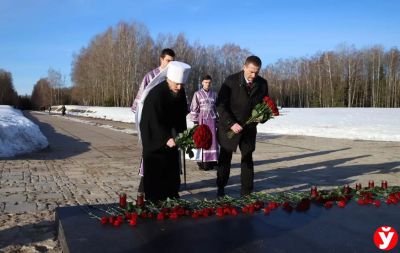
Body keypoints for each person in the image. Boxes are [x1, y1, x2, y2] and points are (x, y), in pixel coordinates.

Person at [216, 55, 268, 197]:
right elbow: (220, 105)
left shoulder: (262, 84)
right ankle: (221, 187)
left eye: (257, 72)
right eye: (251, 71)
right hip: (229, 127)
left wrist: (262, 118)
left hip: (249, 128)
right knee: (225, 157)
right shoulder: (231, 81)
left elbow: (265, 105)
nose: (253, 75)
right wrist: (231, 123)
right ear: (244, 67)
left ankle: (247, 192)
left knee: (247, 157)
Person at [139, 61, 191, 202]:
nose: (179, 87)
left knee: (172, 170)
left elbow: (181, 115)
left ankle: (172, 197)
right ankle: (155, 202)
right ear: (169, 79)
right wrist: (165, 138)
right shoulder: (156, 94)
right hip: (155, 140)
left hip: (172, 140)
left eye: (182, 84)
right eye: (177, 84)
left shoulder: (179, 92)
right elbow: (152, 121)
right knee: (156, 172)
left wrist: (183, 135)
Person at [131, 48, 175, 198]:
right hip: (150, 122)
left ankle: (165, 186)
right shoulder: (150, 76)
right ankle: (144, 185)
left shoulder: (173, 77)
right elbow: (141, 99)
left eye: (172, 61)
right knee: (150, 153)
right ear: (161, 60)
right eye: (168, 61)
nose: (170, 64)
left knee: (166, 154)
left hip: (167, 122)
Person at [190, 74, 218, 170]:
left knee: (212, 140)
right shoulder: (197, 94)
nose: (207, 84)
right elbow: (194, 108)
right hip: (202, 120)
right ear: (202, 82)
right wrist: (195, 121)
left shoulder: (214, 94)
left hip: (212, 120)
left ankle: (212, 161)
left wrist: (218, 120)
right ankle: (203, 163)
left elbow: (217, 108)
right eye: (206, 82)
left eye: (209, 82)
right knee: (202, 139)